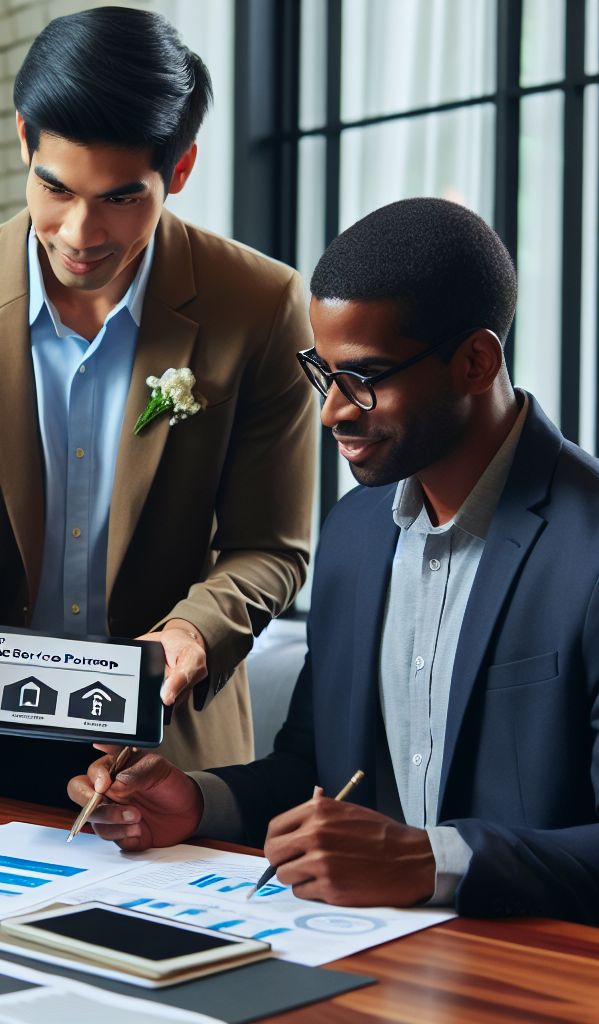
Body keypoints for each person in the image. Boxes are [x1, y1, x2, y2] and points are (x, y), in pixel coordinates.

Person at [68, 198, 599, 925]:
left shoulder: (589, 547)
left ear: (476, 361)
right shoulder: (354, 533)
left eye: (366, 376)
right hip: (363, 954)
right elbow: (319, 771)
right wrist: (196, 802)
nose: (332, 412)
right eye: (325, 372)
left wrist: (425, 858)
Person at [0, 8, 316, 806]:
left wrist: (192, 633)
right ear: (23, 139)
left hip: (165, 744)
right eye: (55, 188)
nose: (81, 232)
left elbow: (272, 547)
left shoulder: (261, 304)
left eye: (121, 198)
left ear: (178, 171)